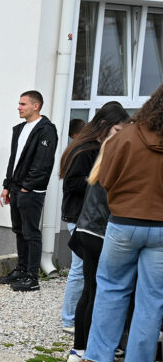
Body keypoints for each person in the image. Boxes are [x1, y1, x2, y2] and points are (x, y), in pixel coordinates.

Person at [79, 84, 163, 362]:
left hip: (123, 223)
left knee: (111, 288)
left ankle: (97, 356)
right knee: (151, 299)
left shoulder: (124, 137)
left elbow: (105, 179)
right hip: (161, 228)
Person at [58, 102, 129, 333]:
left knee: (83, 271)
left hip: (84, 217)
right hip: (80, 217)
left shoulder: (89, 146)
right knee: (80, 270)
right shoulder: (87, 149)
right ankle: (70, 320)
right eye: (117, 130)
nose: (119, 136)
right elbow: (71, 183)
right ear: (104, 124)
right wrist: (99, 183)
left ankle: (75, 319)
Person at [0, 90, 58, 292]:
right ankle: (22, 270)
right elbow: (14, 160)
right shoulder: (20, 129)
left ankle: (32, 277)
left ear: (36, 106)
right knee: (19, 230)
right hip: (16, 188)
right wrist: (7, 186)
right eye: (19, 103)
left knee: (31, 232)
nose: (19, 107)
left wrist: (27, 186)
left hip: (31, 190)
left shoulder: (46, 130)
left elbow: (43, 163)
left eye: (23, 104)